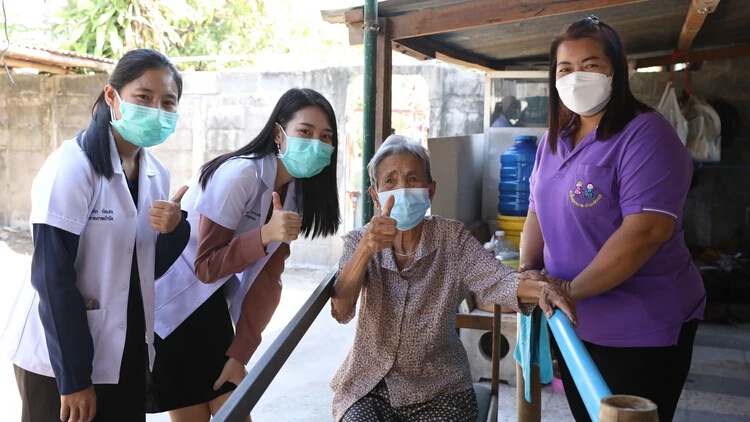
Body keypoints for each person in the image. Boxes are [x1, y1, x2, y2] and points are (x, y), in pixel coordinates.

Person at [518, 16, 706, 422]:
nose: (576, 77)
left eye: (590, 65)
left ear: (616, 71)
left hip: (640, 328)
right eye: (565, 69)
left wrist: (568, 289)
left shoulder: (646, 135)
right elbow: (536, 208)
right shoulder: (554, 139)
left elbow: (645, 232)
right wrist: (528, 273)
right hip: (571, 321)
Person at [330, 135, 576, 422]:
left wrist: (540, 289)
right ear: (375, 196)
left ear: (430, 190)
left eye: (413, 179)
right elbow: (342, 308)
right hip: (369, 384)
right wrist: (365, 251)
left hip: (440, 389)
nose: (402, 189)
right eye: (390, 181)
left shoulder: (452, 238)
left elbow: (497, 279)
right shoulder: (359, 241)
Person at [4, 49, 190, 422]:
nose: (157, 109)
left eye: (167, 103)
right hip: (58, 360)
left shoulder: (157, 174)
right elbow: (52, 277)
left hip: (125, 350)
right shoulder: (72, 166)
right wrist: (73, 378)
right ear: (112, 97)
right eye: (144, 97)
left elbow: (146, 265)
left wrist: (175, 229)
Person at [146, 88, 341, 421]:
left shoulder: (293, 195)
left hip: (209, 308)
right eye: (305, 132)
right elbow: (206, 267)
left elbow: (267, 280)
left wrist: (242, 351)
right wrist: (265, 234)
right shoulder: (240, 175)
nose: (316, 144)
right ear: (279, 135)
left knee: (233, 412)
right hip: (170, 307)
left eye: (325, 137)